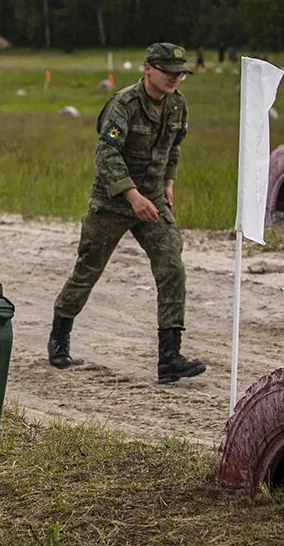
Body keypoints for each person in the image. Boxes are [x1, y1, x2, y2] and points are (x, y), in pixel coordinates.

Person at [47, 43, 206, 384]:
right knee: (87, 270)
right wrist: (132, 196)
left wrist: (168, 184)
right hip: (112, 202)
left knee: (171, 266)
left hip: (152, 199)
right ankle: (59, 338)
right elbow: (107, 156)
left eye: (180, 73)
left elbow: (174, 147)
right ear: (148, 68)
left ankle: (170, 357)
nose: (175, 79)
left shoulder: (178, 105)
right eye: (168, 72)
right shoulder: (124, 104)